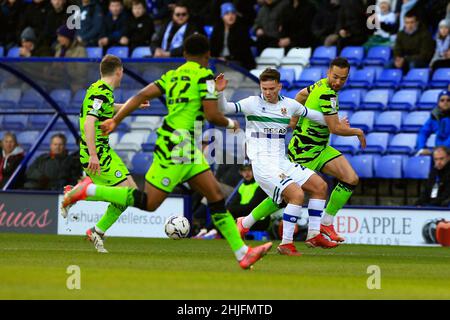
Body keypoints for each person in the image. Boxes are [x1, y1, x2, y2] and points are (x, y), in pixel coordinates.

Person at [62, 34, 273, 270]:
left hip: (184, 146)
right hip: (176, 147)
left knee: (215, 196)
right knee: (148, 203)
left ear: (184, 55)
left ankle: (242, 253)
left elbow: (141, 95)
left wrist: (116, 121)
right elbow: (213, 115)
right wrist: (232, 124)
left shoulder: (171, 76)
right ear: (208, 56)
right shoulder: (206, 77)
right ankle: (87, 189)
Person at [238, 58, 366, 244]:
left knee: (350, 178)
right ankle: (245, 223)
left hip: (321, 147)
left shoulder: (319, 84)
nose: (338, 82)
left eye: (343, 79)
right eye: (336, 77)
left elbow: (300, 94)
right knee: (284, 197)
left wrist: (293, 120)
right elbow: (335, 128)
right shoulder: (326, 94)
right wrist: (358, 132)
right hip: (303, 149)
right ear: (329, 72)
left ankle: (325, 224)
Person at [216, 68, 340, 255]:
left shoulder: (289, 105)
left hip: (282, 162)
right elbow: (225, 108)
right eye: (264, 88)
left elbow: (314, 116)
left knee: (319, 186)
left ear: (279, 86)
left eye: (271, 88)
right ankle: (286, 244)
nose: (267, 92)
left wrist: (336, 123)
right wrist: (219, 92)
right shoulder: (252, 103)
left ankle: (314, 234)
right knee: (296, 195)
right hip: (262, 164)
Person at [62, 54, 148, 253]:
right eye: (122, 72)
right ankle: (74, 194)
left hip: (104, 151)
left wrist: (131, 105)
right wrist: (93, 155)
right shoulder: (101, 92)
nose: (122, 76)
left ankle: (96, 231)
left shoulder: (99, 89)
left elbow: (105, 110)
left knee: (129, 196)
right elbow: (90, 122)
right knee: (129, 195)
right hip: (97, 153)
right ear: (118, 71)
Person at [210, 2, 256, 70]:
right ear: (222, 16)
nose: (230, 16)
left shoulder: (242, 29)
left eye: (233, 13)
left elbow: (242, 52)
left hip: (238, 62)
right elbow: (212, 47)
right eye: (227, 14)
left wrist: (226, 58)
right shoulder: (217, 29)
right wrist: (215, 58)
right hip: (219, 61)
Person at [416, 90, 450, 155]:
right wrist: (421, 148)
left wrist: (443, 151)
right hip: (439, 154)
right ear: (438, 103)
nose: (445, 102)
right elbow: (423, 132)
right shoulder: (434, 117)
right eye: (442, 100)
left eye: (448, 100)